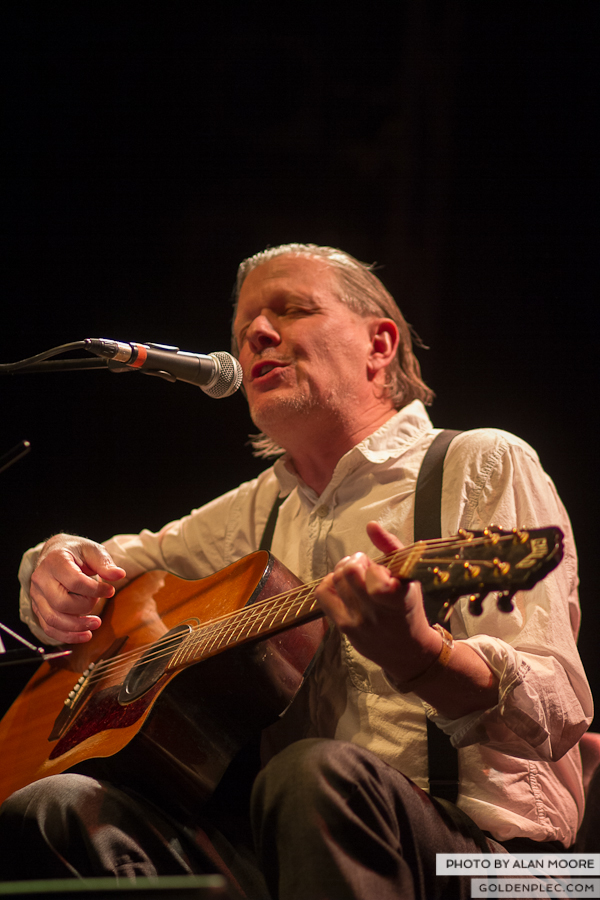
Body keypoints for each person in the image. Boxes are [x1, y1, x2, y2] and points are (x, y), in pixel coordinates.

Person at [0, 243, 592, 898]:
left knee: (314, 776)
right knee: (54, 808)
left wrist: (424, 655)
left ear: (379, 345)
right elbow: (111, 567)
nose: (256, 333)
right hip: (291, 855)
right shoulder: (258, 508)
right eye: (243, 330)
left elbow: (562, 705)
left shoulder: (479, 462)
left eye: (292, 309)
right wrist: (54, 564)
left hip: (498, 869)